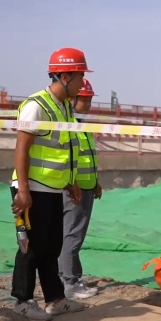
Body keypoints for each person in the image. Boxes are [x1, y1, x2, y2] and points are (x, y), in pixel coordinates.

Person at [10, 47, 92, 321]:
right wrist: (23, 190)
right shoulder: (37, 105)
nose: (82, 84)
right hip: (32, 188)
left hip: (54, 188)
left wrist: (70, 182)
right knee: (30, 247)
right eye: (80, 77)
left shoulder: (64, 108)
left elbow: (64, 149)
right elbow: (22, 148)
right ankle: (22, 300)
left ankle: (55, 300)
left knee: (52, 247)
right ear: (65, 76)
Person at [59, 78, 101, 299]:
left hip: (85, 186)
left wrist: (95, 183)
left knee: (70, 234)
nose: (89, 103)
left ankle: (64, 277)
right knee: (72, 235)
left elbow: (86, 158)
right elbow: (67, 158)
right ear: (72, 99)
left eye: (90, 99)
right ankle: (71, 282)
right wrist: (74, 183)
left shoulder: (80, 124)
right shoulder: (67, 125)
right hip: (74, 189)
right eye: (85, 99)